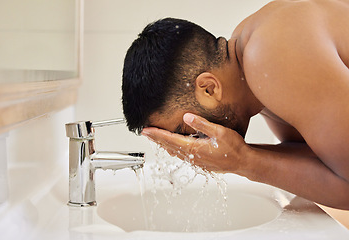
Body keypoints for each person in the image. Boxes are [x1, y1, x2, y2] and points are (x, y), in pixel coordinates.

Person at [121, 0, 349, 210]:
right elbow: (321, 158)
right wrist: (240, 156)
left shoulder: (268, 54)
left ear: (209, 89)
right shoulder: (247, 62)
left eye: (184, 132)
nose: (189, 147)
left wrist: (243, 161)